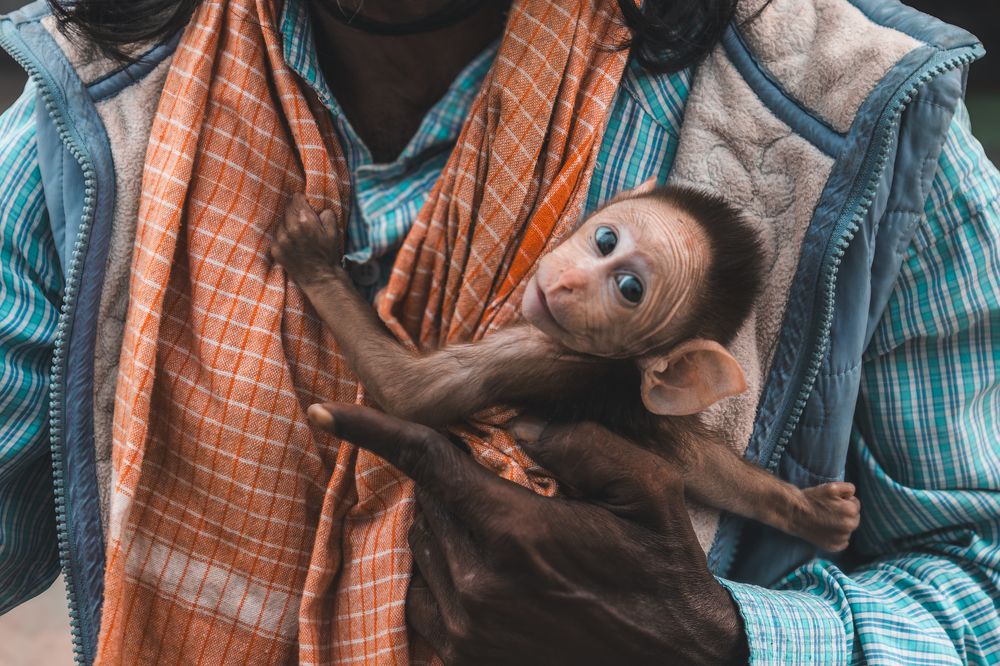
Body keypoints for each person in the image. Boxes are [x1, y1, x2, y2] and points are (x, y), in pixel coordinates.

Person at [0, 0, 997, 664]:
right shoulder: (100, 108)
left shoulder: (845, 118)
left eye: (625, 272)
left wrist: (723, 637)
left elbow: (978, 586)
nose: (587, 272)